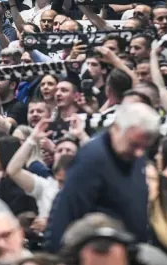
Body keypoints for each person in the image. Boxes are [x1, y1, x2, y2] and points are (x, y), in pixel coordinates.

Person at [46, 103, 161, 250]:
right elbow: (67, 213)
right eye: (134, 145)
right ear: (116, 129)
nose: (139, 153)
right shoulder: (92, 159)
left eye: (144, 147)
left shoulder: (133, 153)